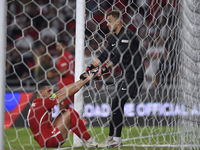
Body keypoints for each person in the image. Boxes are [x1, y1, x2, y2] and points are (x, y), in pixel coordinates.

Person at [80, 10, 144, 147]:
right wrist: (90, 67)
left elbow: (117, 58)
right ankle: (113, 138)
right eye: (107, 21)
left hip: (134, 74)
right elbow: (104, 55)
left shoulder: (127, 35)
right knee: (116, 104)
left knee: (118, 101)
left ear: (118, 21)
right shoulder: (113, 37)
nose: (107, 24)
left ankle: (116, 139)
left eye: (109, 21)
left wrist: (101, 71)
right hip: (126, 74)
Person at [27, 73, 102, 148]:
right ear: (41, 93)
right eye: (49, 91)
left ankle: (86, 139)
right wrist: (86, 81)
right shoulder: (45, 102)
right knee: (71, 112)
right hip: (50, 140)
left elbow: (62, 91)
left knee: (64, 112)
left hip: (45, 140)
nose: (51, 93)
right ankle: (89, 140)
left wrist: (81, 80)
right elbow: (68, 93)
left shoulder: (37, 102)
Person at [47, 40, 75, 110]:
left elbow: (64, 72)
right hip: (72, 84)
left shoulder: (63, 57)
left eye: (59, 46)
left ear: (64, 46)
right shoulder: (69, 55)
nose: (57, 48)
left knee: (62, 111)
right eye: (56, 46)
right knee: (68, 110)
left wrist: (52, 75)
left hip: (65, 86)